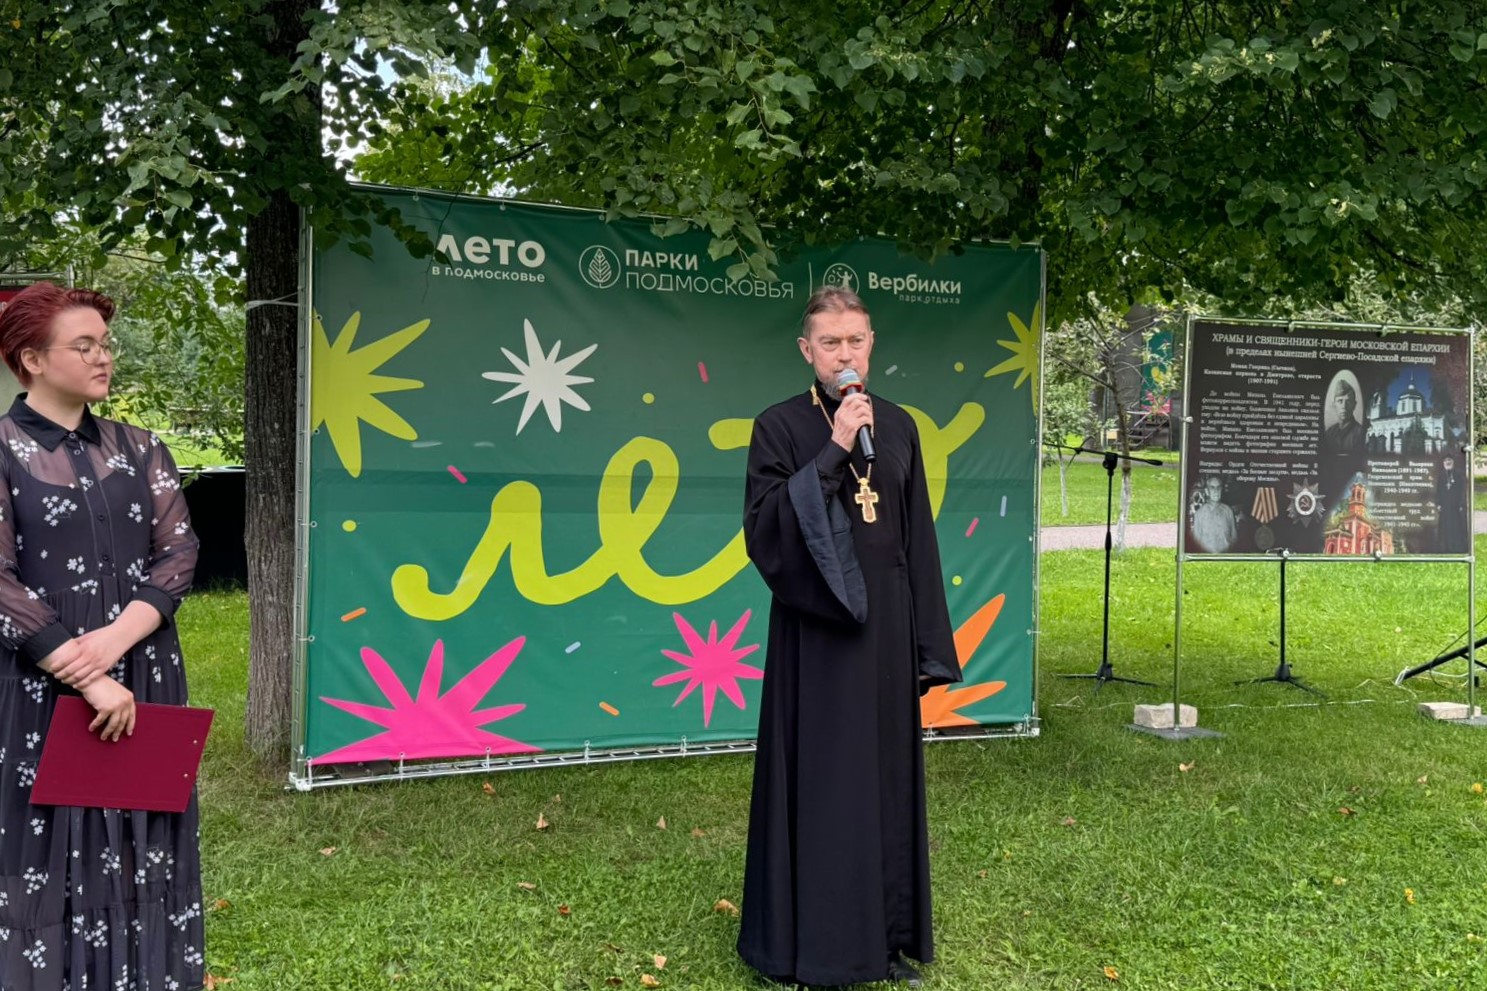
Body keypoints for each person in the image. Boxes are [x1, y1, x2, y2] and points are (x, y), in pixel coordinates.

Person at [737, 285, 961, 987]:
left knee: (884, 785)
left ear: (871, 345)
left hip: (886, 631)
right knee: (825, 785)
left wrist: (926, 641)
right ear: (806, 349)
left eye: (855, 340)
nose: (844, 354)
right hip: (818, 634)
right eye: (830, 343)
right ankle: (807, 949)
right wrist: (834, 448)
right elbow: (766, 531)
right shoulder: (778, 427)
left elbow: (915, 535)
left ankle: (885, 941)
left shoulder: (896, 425)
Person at [0, 283, 202, 990]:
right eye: (83, 345)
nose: (102, 357)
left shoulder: (142, 447)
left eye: (105, 345)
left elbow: (179, 554)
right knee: (45, 849)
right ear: (31, 359)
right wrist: (86, 676)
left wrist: (115, 643)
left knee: (147, 843)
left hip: (143, 672)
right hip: (37, 683)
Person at [1189, 474, 1237, 553]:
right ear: (1207, 491)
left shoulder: (1228, 511)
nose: (1216, 491)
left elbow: (1234, 538)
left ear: (1221, 490)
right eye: (1212, 488)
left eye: (1218, 488)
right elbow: (1197, 541)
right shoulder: (1199, 514)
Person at [1322, 378, 1365, 456]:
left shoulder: (1360, 433)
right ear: (1334, 405)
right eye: (1340, 401)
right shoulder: (1329, 432)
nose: (1344, 406)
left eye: (1348, 401)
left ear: (1354, 405)